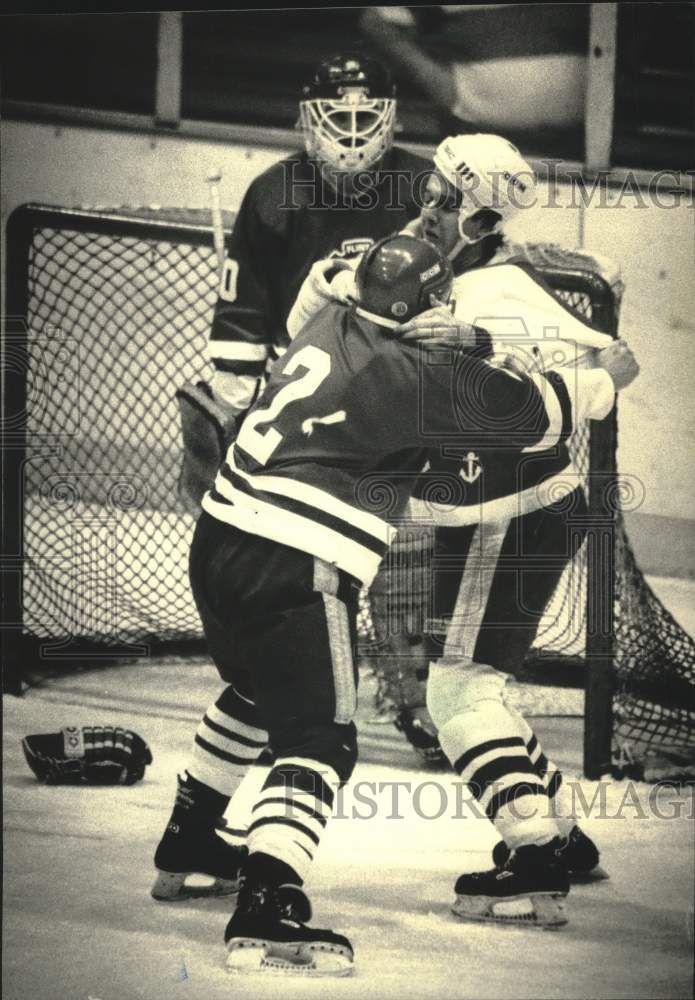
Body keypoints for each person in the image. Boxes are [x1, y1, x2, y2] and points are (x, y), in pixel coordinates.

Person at [152, 233, 622, 971]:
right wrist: (495, 343)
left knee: (254, 685)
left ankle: (189, 836)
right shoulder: (426, 371)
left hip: (217, 536)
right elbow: (559, 409)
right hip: (295, 558)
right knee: (318, 740)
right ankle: (267, 901)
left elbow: (330, 270)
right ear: (427, 305)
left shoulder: (332, 308)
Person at [286, 132, 638, 907]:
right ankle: (563, 840)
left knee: (456, 694)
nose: (430, 211)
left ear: (483, 223)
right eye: (433, 192)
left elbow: (616, 365)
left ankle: (536, 855)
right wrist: (322, 285)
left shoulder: (498, 289)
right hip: (479, 516)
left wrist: (485, 342)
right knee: (478, 687)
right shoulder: (416, 267)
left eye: (451, 203)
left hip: (512, 515)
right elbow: (306, 334)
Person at [206, 50, 431, 420]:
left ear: (389, 119)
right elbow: (244, 309)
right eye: (341, 117)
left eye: (366, 118)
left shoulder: (424, 187)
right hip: (299, 385)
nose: (353, 135)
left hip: (398, 382)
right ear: (309, 122)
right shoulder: (275, 192)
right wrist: (232, 401)